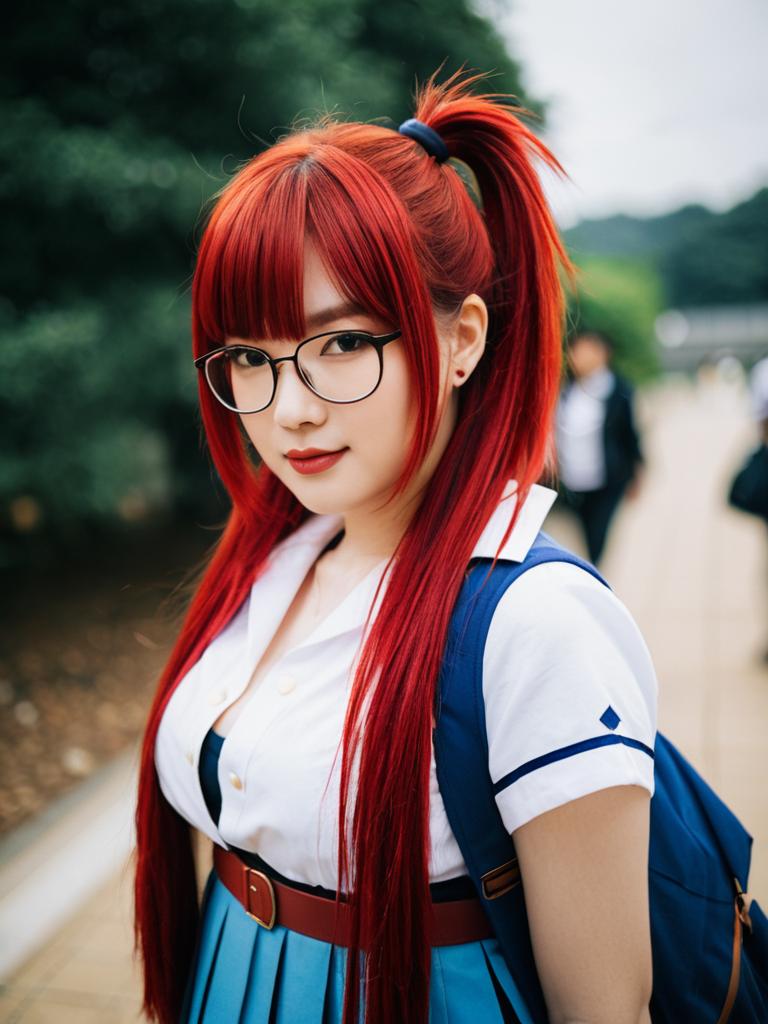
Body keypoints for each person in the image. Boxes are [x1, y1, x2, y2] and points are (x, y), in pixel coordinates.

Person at [133, 67, 658, 1024]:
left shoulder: (538, 622)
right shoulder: (280, 557)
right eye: (249, 357)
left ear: (460, 340)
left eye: (341, 344)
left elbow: (606, 1009)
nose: (290, 408)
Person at [555, 330, 645, 565]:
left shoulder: (619, 391)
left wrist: (638, 472)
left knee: (597, 537)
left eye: (585, 351)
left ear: (602, 354)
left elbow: (630, 434)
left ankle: (595, 575)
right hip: (571, 481)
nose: (577, 357)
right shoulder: (565, 390)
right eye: (574, 351)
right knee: (573, 536)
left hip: (607, 479)